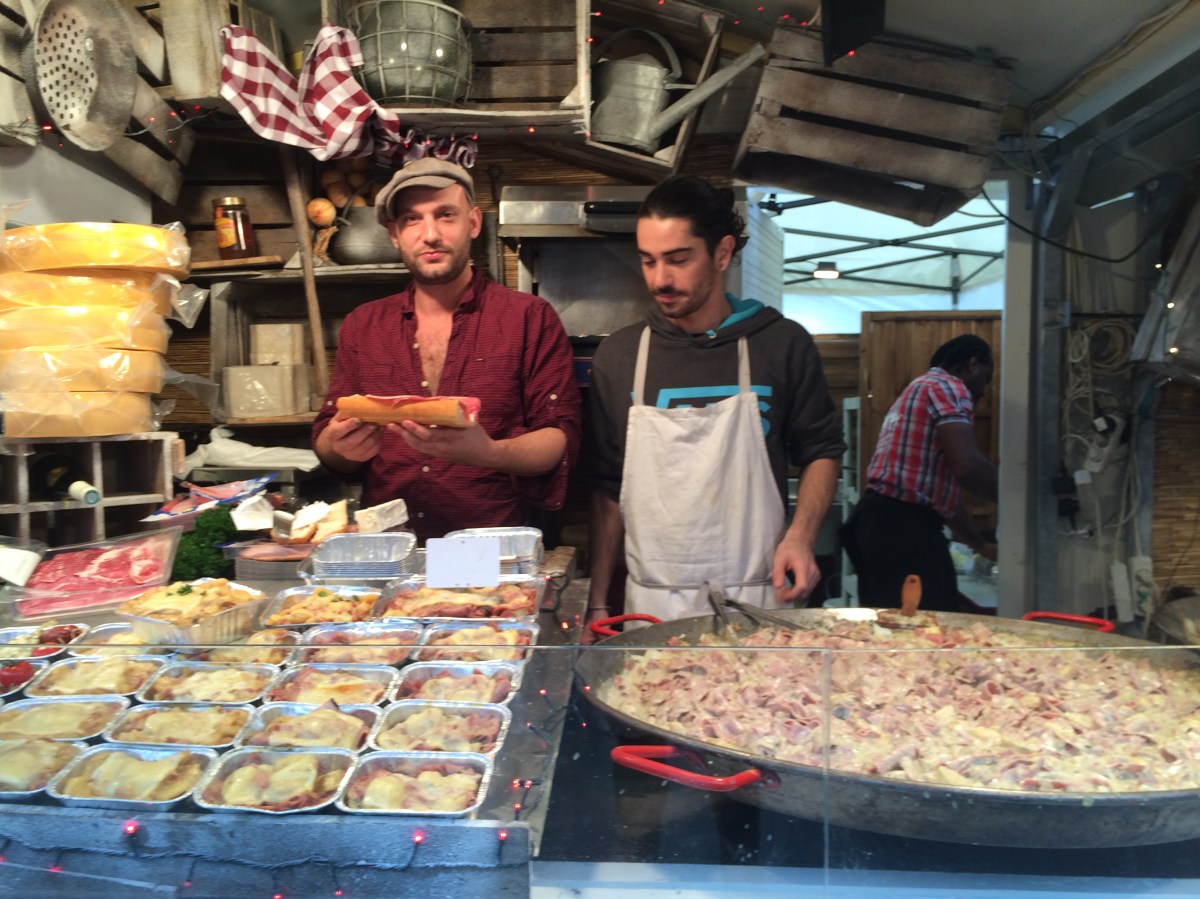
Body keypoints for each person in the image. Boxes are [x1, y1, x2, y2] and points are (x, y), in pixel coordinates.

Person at [584, 174, 845, 637]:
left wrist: (801, 537)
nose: (660, 279)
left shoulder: (780, 344)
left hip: (759, 597)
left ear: (722, 253)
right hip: (651, 606)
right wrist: (598, 601)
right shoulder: (622, 356)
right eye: (648, 261)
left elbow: (821, 450)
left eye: (678, 260)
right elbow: (608, 487)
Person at [312, 157, 582, 543]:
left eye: (445, 215)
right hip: (389, 552)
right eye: (412, 219)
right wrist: (340, 447)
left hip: (495, 555)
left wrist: (487, 452)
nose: (430, 234)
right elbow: (327, 437)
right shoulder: (362, 325)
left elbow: (558, 438)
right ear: (394, 234)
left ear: (473, 223)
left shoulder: (528, 318)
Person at [840, 334, 999, 612]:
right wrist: (1019, 500)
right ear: (973, 364)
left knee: (902, 618)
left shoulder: (917, 388)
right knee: (921, 623)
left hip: (877, 521)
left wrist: (981, 545)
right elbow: (968, 467)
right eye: (987, 379)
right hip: (902, 527)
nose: (984, 391)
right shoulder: (948, 387)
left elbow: (942, 500)